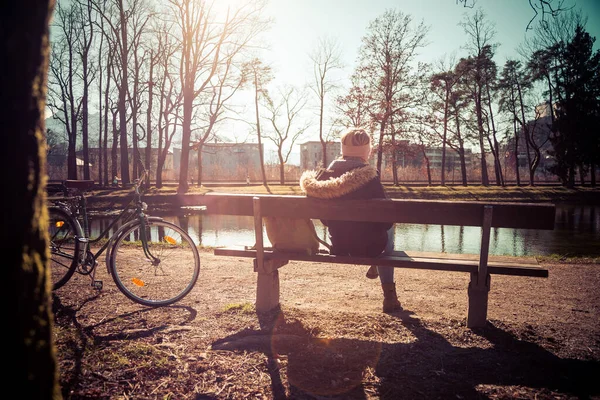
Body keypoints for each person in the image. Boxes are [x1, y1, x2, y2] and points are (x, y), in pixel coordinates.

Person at [299, 127, 401, 313]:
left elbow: (326, 220)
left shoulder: (323, 178)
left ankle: (376, 267)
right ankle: (389, 296)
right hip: (370, 248)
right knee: (390, 227)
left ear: (342, 148)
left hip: (339, 245)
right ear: (367, 150)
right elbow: (385, 221)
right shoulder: (370, 177)